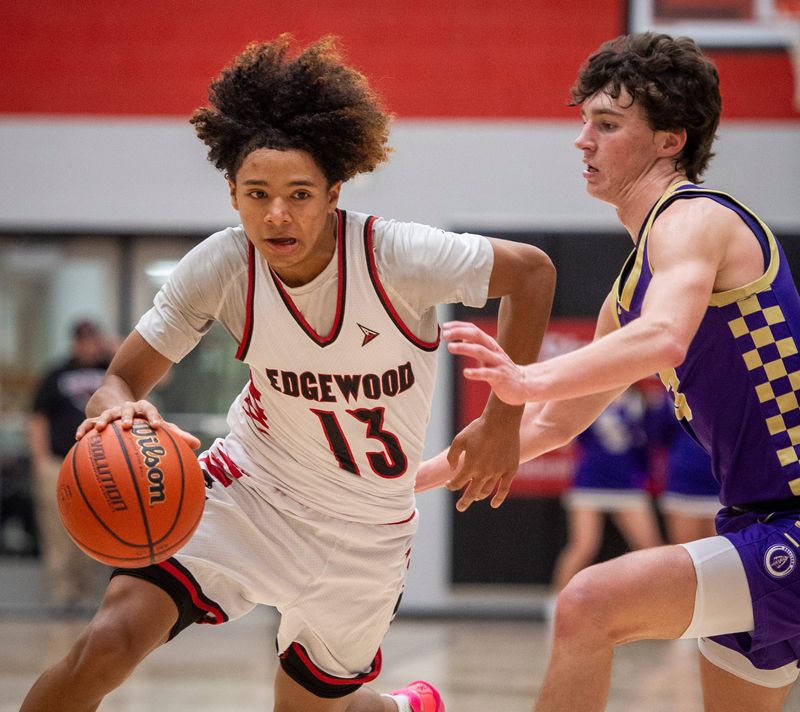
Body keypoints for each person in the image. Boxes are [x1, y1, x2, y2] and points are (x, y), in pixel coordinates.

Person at [20, 35, 555, 712]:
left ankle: (399, 707)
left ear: (333, 191)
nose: (277, 213)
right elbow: (118, 382)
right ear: (233, 194)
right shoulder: (222, 267)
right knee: (105, 645)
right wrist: (119, 411)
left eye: (299, 193)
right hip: (250, 492)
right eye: (258, 193)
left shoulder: (396, 256)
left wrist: (501, 420)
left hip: (369, 536)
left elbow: (533, 273)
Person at [418, 31, 800, 711]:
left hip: (790, 522)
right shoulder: (625, 291)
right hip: (753, 525)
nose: (582, 140)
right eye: (583, 121)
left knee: (588, 604)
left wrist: (528, 376)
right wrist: (400, 485)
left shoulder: (693, 220)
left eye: (607, 123)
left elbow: (664, 338)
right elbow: (552, 423)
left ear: (669, 139)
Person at [27, 319, 113, 610]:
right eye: (82, 340)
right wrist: (40, 461)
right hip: (58, 461)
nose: (87, 345)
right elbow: (38, 418)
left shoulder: (112, 372)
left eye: (92, 340)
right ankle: (62, 594)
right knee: (57, 530)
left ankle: (88, 595)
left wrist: (116, 346)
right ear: (74, 343)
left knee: (95, 529)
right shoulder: (56, 374)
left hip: (99, 466)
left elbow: (160, 376)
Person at [551, 385, 662, 594]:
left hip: (627, 483)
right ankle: (555, 607)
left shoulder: (641, 400)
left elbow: (647, 443)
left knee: (652, 547)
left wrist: (642, 474)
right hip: (590, 482)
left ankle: (660, 609)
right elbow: (576, 437)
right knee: (583, 546)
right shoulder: (589, 397)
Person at [652, 394, 720, 544]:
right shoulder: (670, 395)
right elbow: (658, 437)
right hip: (683, 481)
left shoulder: (727, 389)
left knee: (723, 555)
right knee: (686, 551)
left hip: (721, 483)